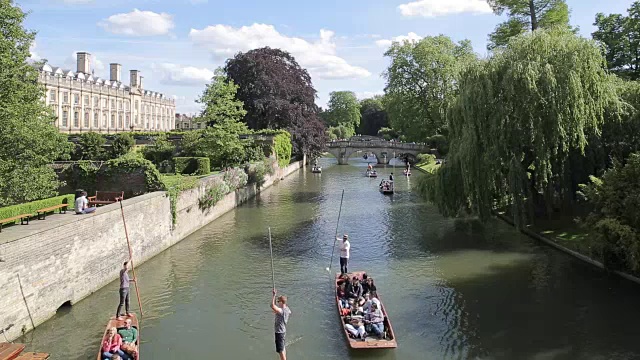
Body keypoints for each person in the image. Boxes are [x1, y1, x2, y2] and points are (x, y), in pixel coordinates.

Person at [271, 289, 291, 360]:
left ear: (282, 302)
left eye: (278, 301)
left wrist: (274, 295)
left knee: (280, 351)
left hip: (279, 332)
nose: (278, 303)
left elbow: (272, 306)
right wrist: (276, 310)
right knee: (283, 348)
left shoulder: (281, 311)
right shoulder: (287, 309)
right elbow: (276, 310)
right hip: (283, 331)